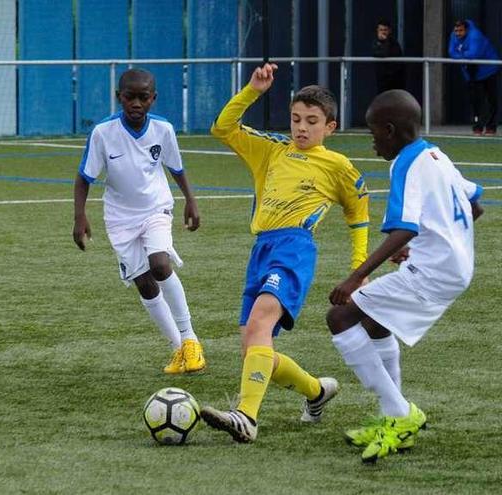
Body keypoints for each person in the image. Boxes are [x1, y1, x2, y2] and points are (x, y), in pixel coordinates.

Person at [199, 63, 370, 443]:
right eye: (296, 119)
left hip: (294, 248)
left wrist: (358, 269)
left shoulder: (339, 166)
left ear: (330, 128)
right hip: (261, 248)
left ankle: (246, 416)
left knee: (260, 324)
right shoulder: (272, 150)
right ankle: (317, 391)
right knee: (254, 349)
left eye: (311, 121)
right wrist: (252, 91)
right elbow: (222, 128)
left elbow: (358, 217)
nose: (301, 128)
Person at [326, 89, 483, 463]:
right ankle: (392, 419)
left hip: (435, 273)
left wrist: (354, 277)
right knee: (375, 321)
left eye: (374, 132)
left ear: (391, 130)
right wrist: (430, 243)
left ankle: (399, 412)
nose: (372, 140)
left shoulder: (407, 164)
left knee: (341, 317)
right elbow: (474, 205)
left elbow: (404, 228)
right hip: (454, 267)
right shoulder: (436, 155)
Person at [73, 68, 206, 375]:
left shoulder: (163, 129)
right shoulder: (103, 133)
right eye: (129, 97)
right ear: (119, 97)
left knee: (159, 265)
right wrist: (79, 216)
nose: (136, 103)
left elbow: (176, 168)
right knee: (144, 284)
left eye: (143, 97)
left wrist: (191, 200)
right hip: (119, 219)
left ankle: (190, 340)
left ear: (153, 99)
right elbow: (84, 178)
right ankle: (178, 350)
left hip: (156, 208)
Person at [448, 19, 500, 136]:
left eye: (460, 31)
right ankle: (477, 127)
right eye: (456, 31)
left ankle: (491, 127)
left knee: (492, 100)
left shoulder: (475, 35)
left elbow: (473, 54)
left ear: (466, 30)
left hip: (489, 70)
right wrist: (463, 56)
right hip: (472, 73)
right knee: (475, 101)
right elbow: (451, 52)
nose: (457, 34)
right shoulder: (454, 35)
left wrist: (460, 55)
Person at [372, 19, 407, 94]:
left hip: (395, 80)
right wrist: (384, 42)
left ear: (389, 31)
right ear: (377, 31)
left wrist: (386, 41)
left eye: (385, 30)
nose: (383, 32)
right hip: (382, 80)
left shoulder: (394, 43)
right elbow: (380, 54)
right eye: (381, 30)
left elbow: (390, 54)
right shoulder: (375, 43)